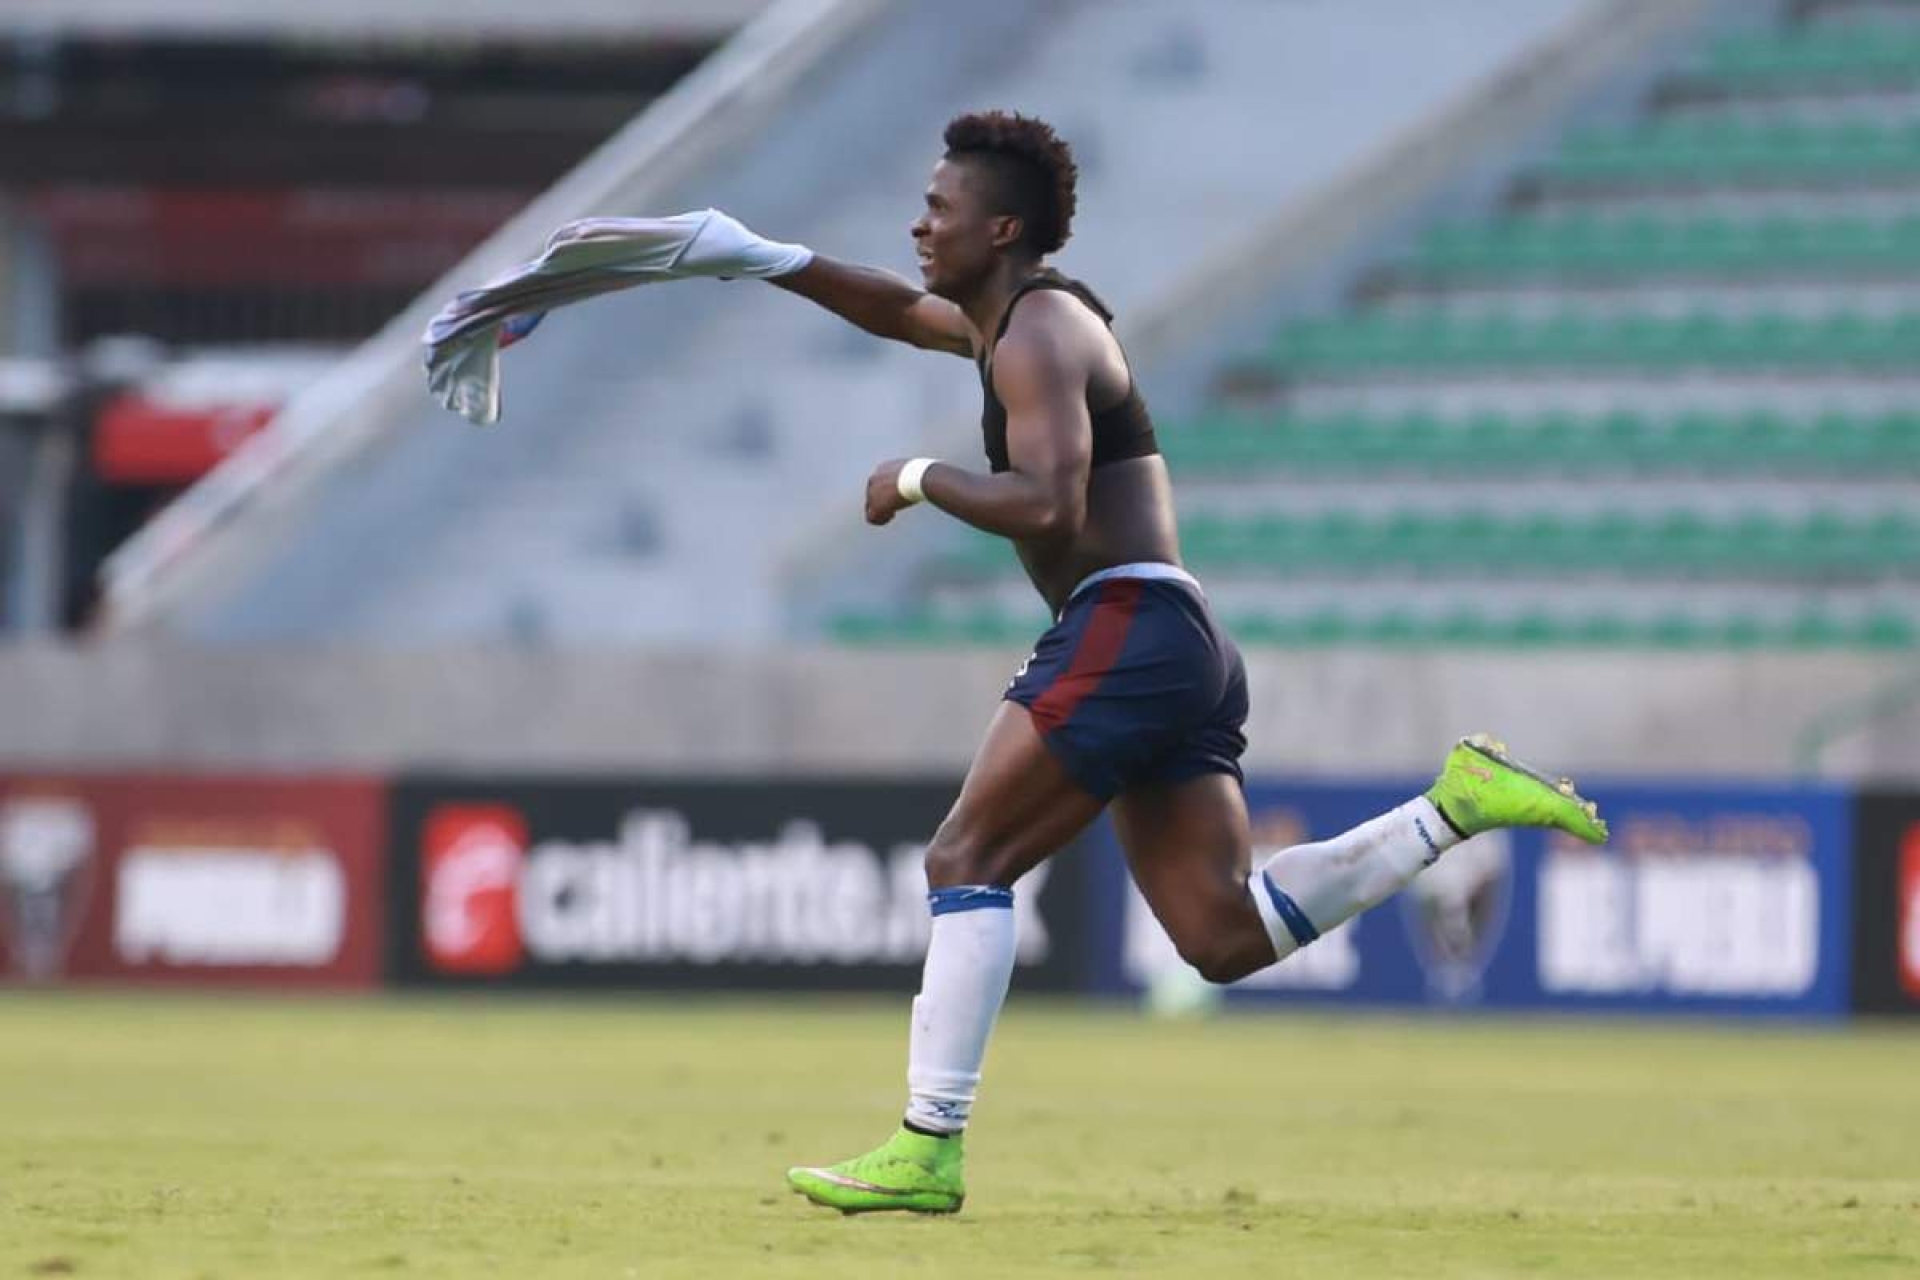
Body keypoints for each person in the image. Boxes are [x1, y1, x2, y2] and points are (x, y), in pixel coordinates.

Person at [438, 110, 1608, 1216]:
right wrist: (757, 257)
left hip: (1128, 623)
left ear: (999, 228)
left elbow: (1049, 503)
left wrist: (918, 476)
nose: (919, 223)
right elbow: (900, 311)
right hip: (1179, 637)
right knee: (1219, 934)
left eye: (938, 206)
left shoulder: (1040, 334)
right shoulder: (1013, 323)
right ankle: (1452, 807)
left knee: (967, 853)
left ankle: (927, 1143)